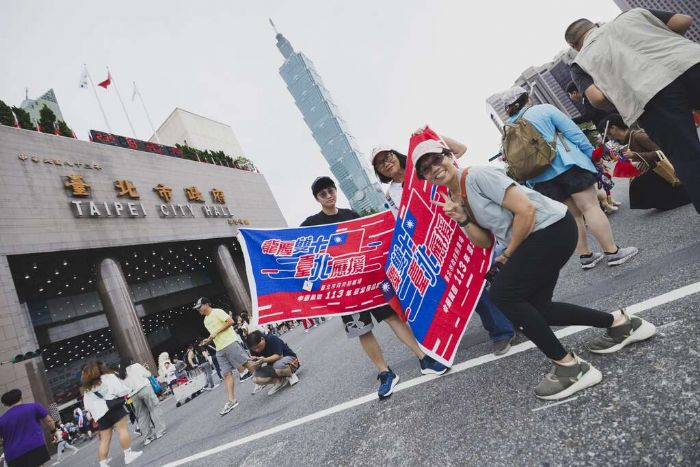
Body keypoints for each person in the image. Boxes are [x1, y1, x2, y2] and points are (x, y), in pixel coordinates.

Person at [414, 135, 656, 400]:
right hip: (535, 239)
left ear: (450, 156)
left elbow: (526, 210)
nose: (433, 168)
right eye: (424, 169)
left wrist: (507, 255)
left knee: (502, 296)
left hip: (550, 229)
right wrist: (462, 219)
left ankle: (570, 368)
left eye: (436, 159)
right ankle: (621, 324)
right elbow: (483, 242)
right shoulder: (454, 197)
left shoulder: (478, 176)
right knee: (540, 310)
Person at [301, 176, 448, 399]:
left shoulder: (350, 215)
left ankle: (423, 358)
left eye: (331, 190)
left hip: (369, 281)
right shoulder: (311, 223)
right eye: (323, 193)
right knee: (363, 330)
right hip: (345, 289)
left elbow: (373, 239)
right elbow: (296, 245)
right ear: (316, 198)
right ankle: (384, 372)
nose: (329, 195)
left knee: (393, 319)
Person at [372, 142, 516, 356]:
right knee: (470, 288)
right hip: (439, 243)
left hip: (463, 224)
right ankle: (500, 331)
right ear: (378, 172)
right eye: (380, 163)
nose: (386, 163)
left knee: (496, 272)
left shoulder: (421, 166)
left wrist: (426, 134)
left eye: (388, 156)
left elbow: (460, 150)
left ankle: (521, 315)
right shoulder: (391, 194)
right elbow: (402, 224)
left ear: (396, 154)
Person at [565, 9, 700, 213]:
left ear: (574, 45)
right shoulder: (633, 15)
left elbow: (597, 98)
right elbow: (684, 21)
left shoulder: (580, 63)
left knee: (687, 157)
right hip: (691, 62)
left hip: (651, 95)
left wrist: (622, 98)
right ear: (594, 25)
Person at [503, 86, 638, 269]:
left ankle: (586, 257)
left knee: (574, 216)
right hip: (568, 165)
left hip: (541, 179)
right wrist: (594, 156)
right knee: (590, 207)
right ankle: (612, 252)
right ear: (527, 98)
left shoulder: (507, 128)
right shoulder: (543, 110)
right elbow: (573, 133)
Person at [598, 114, 691, 211]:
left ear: (613, 128)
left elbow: (661, 152)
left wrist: (634, 155)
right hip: (651, 170)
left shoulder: (637, 136)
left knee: (639, 182)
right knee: (636, 182)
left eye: (606, 132)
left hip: (661, 170)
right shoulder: (624, 141)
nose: (607, 136)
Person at [194, 297, 257, 415]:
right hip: (219, 349)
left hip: (230, 343)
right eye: (197, 308)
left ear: (206, 304)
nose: (198, 310)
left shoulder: (217, 312)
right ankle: (231, 400)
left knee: (246, 363)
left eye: (199, 307)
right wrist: (208, 340)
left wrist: (216, 333)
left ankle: (262, 379)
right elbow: (214, 334)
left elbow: (230, 321)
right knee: (226, 374)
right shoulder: (205, 321)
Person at [81, 361, 143, 466]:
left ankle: (103, 463)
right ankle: (128, 455)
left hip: (100, 416)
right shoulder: (109, 377)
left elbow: (87, 407)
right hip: (114, 408)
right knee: (122, 430)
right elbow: (121, 390)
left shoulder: (87, 389)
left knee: (105, 440)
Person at [0, 389, 55, 467]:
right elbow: (49, 421)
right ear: (21, 397)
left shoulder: (1, 420)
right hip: (34, 446)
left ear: (5, 404)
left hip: (13, 454)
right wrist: (53, 431)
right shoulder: (34, 406)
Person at [119, 357, 166, 446]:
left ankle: (148, 437)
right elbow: (148, 374)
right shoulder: (136, 366)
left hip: (133, 395)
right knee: (154, 409)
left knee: (142, 416)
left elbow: (123, 388)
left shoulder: (121, 374)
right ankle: (160, 431)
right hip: (145, 389)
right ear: (130, 361)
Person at [246, 330, 301, 395]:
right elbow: (256, 369)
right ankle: (279, 381)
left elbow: (279, 356)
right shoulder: (254, 350)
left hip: (290, 361)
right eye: (254, 349)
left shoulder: (272, 339)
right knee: (255, 378)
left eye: (258, 347)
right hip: (275, 367)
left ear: (262, 339)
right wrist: (255, 363)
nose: (257, 350)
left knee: (277, 365)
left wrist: (264, 360)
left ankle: (290, 375)